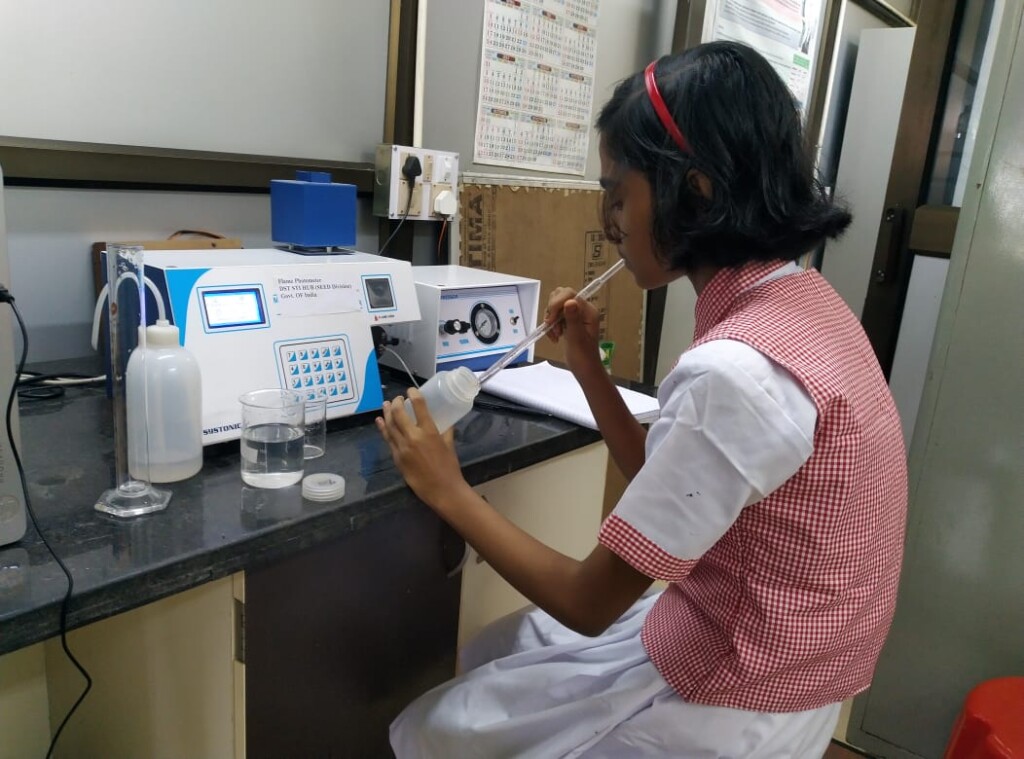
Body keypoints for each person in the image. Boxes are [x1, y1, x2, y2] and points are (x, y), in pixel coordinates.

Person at [376, 41, 908, 758]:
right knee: (498, 645)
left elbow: (589, 603)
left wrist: (449, 490)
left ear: (697, 189)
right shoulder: (803, 303)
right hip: (780, 657)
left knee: (442, 728)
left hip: (731, 697)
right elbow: (673, 493)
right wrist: (590, 372)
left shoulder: (738, 372)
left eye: (619, 193)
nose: (608, 221)